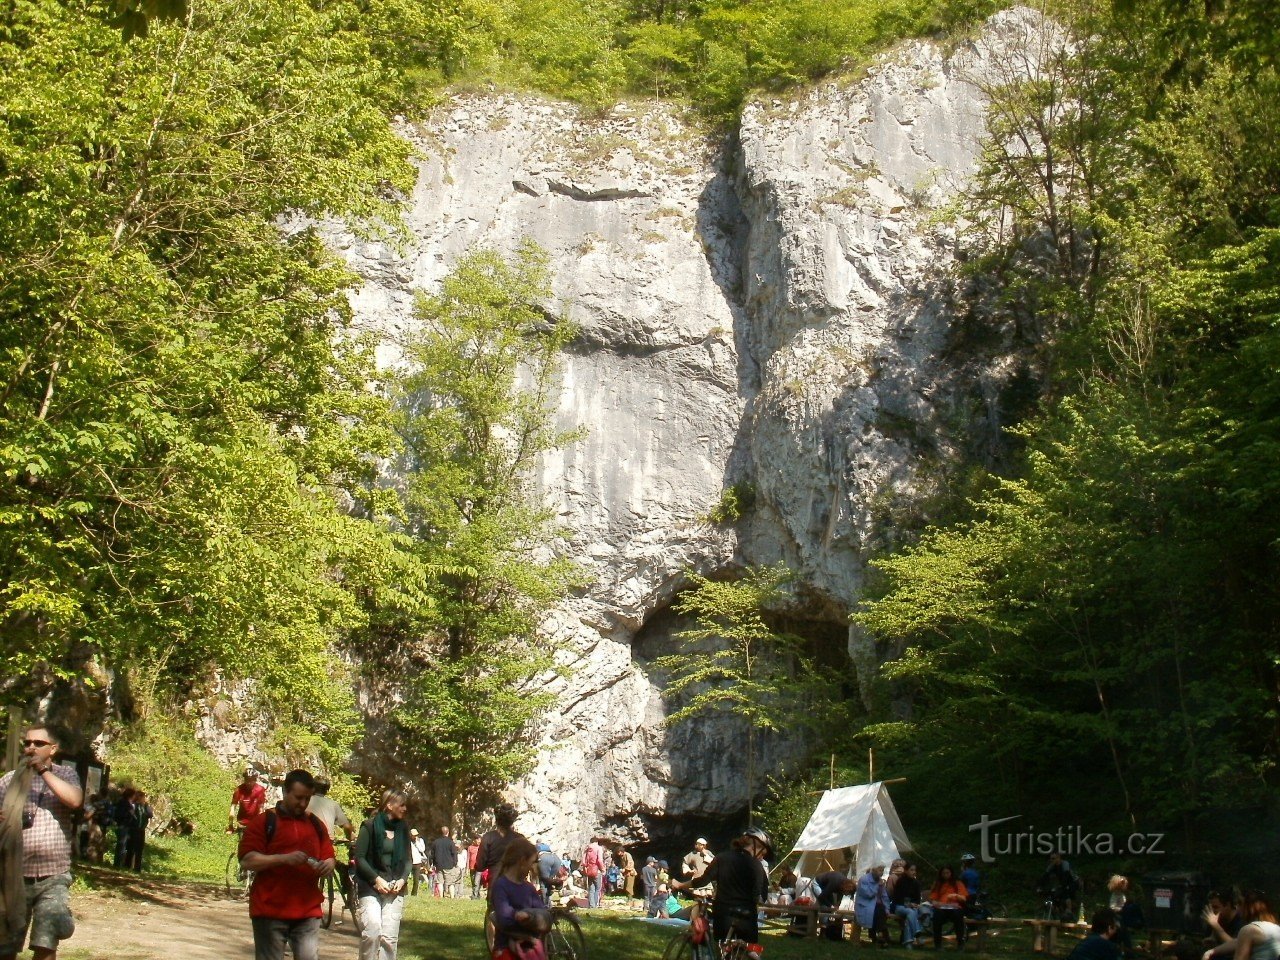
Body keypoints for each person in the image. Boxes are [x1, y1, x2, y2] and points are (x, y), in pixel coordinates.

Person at [0, 724, 85, 960]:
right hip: (14, 874)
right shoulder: (10, 779)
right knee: (6, 945)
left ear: (53, 749)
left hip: (53, 876)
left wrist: (43, 772)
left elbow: (75, 800)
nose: (31, 748)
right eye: (27, 743)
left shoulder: (65, 775)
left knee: (45, 943)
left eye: (38, 744)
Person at [237, 768, 335, 960]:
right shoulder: (264, 822)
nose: (303, 803)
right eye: (298, 797)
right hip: (270, 910)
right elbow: (247, 860)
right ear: (285, 792)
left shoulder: (316, 824)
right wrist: (283, 859)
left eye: (307, 798)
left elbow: (329, 857)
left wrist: (328, 864)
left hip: (307, 911)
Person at [673, 826, 771, 946]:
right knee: (749, 949)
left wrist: (680, 885)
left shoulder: (722, 858)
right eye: (762, 852)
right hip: (748, 918)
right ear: (755, 846)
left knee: (723, 948)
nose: (761, 857)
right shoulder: (758, 866)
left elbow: (702, 881)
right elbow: (763, 894)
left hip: (724, 915)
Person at [354, 789, 411, 960]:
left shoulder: (403, 829)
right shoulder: (369, 826)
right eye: (401, 805)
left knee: (389, 939)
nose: (405, 808)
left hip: (395, 887)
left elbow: (408, 860)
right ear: (389, 805)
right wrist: (376, 879)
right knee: (372, 931)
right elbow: (360, 858)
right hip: (371, 885)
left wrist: (402, 879)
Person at [489, 836, 550, 960]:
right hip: (507, 950)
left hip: (530, 950)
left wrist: (529, 917)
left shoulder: (529, 888)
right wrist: (529, 921)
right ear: (522, 861)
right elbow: (505, 921)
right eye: (532, 862)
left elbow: (543, 915)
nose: (533, 867)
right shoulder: (501, 885)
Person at [476, 804, 522, 894]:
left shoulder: (488, 837)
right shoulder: (520, 839)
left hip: (495, 883)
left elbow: (480, 864)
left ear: (496, 821)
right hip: (515, 884)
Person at [1225, 891, 1280, 960]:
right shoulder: (1276, 928)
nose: (1237, 907)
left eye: (1240, 903)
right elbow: (1237, 942)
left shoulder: (1249, 930)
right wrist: (1212, 951)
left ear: (1250, 907)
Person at [929, 865, 968, 949]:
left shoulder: (958, 883)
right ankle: (938, 944)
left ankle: (960, 943)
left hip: (955, 907)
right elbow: (933, 898)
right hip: (942, 908)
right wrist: (936, 903)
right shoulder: (938, 884)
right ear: (941, 874)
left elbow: (964, 898)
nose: (945, 875)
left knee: (958, 917)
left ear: (951, 873)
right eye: (943, 873)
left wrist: (955, 895)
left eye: (947, 873)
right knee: (937, 917)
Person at [890, 861, 925, 947]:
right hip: (899, 907)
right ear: (906, 871)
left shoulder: (916, 883)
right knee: (911, 913)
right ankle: (918, 933)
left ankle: (908, 944)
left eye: (915, 870)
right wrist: (908, 904)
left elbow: (917, 899)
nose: (914, 872)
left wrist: (913, 904)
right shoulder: (900, 882)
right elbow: (896, 898)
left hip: (912, 908)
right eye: (911, 870)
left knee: (910, 916)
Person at [1038, 853, 1081, 922]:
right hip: (1063, 882)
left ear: (1058, 858)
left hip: (1073, 882)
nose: (1051, 860)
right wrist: (1039, 886)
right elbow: (1045, 876)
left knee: (1065, 891)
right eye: (1051, 859)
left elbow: (1066, 876)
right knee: (1054, 894)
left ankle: (1069, 910)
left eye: (1053, 858)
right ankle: (1058, 913)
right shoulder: (1052, 866)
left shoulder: (1065, 864)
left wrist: (1061, 886)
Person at [856, 865, 891, 946]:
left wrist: (887, 908)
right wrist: (877, 886)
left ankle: (878, 936)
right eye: (880, 870)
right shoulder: (864, 879)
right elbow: (868, 894)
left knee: (881, 910)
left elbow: (884, 896)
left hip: (877, 905)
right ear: (873, 870)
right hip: (865, 904)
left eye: (882, 871)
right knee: (877, 911)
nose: (881, 873)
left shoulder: (880, 881)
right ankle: (882, 935)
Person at [230, 768, 268, 833]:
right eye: (247, 780)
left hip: (255, 824)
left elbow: (261, 809)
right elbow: (233, 808)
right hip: (241, 823)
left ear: (255, 780)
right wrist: (230, 826)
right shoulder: (239, 790)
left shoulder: (260, 790)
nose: (249, 783)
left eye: (251, 780)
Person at [431, 826, 463, 899]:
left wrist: (433, 864)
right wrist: (455, 863)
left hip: (439, 865)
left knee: (440, 882)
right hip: (449, 865)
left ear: (441, 833)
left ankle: (441, 896)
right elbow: (454, 854)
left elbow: (432, 854)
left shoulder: (436, 842)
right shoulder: (450, 843)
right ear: (448, 833)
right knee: (450, 883)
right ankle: (452, 897)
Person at [127, 791, 153, 871]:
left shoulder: (145, 806)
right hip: (133, 829)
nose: (143, 799)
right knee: (130, 848)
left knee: (139, 849)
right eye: (142, 797)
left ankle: (137, 868)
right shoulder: (133, 806)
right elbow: (130, 816)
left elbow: (150, 815)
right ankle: (127, 866)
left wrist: (146, 806)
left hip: (141, 830)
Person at [112, 787, 136, 869]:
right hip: (123, 825)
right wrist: (130, 814)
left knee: (123, 846)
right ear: (130, 795)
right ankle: (117, 864)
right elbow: (120, 814)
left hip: (127, 826)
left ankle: (120, 863)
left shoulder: (127, 803)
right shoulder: (123, 803)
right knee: (121, 845)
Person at [581, 837, 605, 908]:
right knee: (598, 888)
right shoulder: (598, 848)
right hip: (596, 870)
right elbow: (600, 860)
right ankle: (595, 904)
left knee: (591, 889)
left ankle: (591, 905)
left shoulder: (586, 849)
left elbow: (583, 861)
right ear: (597, 842)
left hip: (589, 870)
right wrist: (603, 869)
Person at [408, 830, 427, 896]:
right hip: (409, 861)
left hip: (417, 861)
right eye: (413, 835)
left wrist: (417, 843)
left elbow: (422, 850)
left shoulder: (420, 840)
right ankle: (405, 892)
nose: (415, 836)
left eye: (416, 835)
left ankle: (414, 893)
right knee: (405, 878)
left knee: (416, 879)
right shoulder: (407, 841)